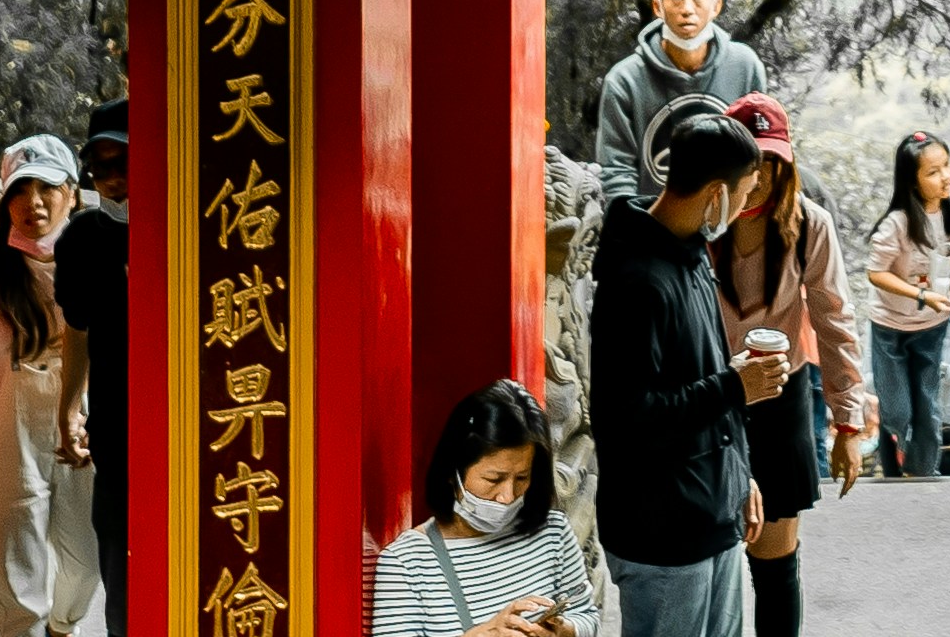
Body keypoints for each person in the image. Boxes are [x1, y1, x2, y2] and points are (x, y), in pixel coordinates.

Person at [601, 104, 793, 637]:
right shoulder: (635, 279)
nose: (746, 204)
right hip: (660, 533)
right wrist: (737, 385)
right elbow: (627, 416)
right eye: (746, 191)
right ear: (716, 193)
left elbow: (705, 375)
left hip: (712, 513)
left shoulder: (692, 255)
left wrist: (739, 474)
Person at [717, 95, 873, 637]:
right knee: (709, 555)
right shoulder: (699, 220)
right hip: (710, 394)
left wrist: (847, 423)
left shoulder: (809, 224)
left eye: (771, 163)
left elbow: (834, 321)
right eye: (748, 161)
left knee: (774, 561)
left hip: (780, 396)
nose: (758, 177)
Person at [0, 134, 98, 637]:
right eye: (19, 189)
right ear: (3, 200)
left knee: (87, 562)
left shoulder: (100, 270)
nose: (32, 202)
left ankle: (63, 625)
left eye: (47, 187)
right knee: (15, 587)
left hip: (81, 434)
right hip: (9, 444)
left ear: (73, 194)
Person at [374, 380, 598, 637]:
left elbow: (588, 617)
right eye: (494, 479)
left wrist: (562, 630)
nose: (507, 496)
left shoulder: (553, 532)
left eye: (522, 478)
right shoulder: (407, 561)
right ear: (452, 471)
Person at [53, 100, 135, 634]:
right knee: (121, 581)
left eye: (121, 162)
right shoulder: (80, 239)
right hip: (117, 428)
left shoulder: (192, 224)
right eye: (98, 168)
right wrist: (69, 410)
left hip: (192, 433)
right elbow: (77, 333)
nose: (110, 179)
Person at [595, 0, 768, 204]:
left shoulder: (745, 66)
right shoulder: (624, 80)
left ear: (716, 6)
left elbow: (761, 153)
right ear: (658, 7)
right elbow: (616, 171)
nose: (687, 9)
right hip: (653, 231)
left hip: (729, 228)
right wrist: (633, 230)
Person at [873, 132, 950, 480]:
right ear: (912, 181)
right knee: (898, 408)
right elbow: (875, 272)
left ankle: (923, 475)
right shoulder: (896, 223)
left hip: (930, 324)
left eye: (947, 166)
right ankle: (903, 448)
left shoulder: (949, 216)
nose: (946, 176)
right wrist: (920, 295)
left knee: (929, 409)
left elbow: (946, 260)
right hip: (891, 325)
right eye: (933, 171)